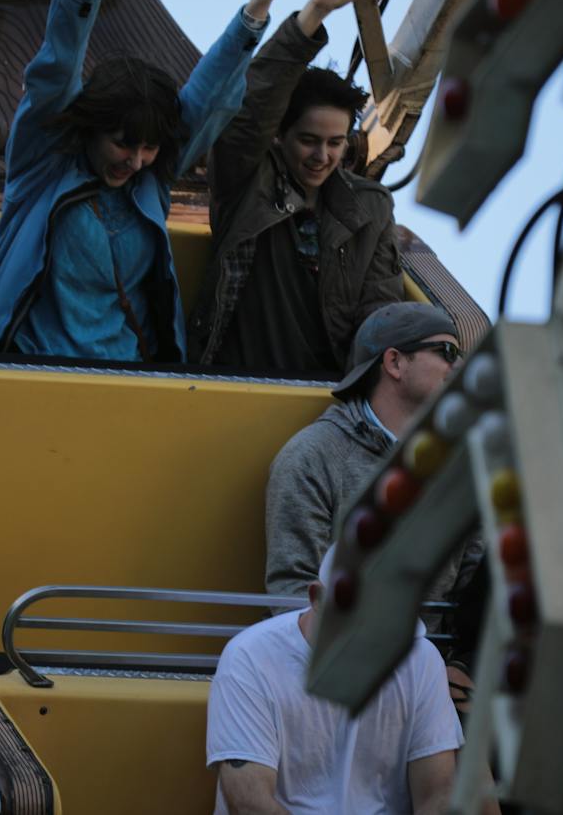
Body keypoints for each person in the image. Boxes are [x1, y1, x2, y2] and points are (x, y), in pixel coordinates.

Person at [0, 0, 285, 362]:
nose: (137, 161)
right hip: (32, 372)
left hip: (124, 381)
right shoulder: (42, 168)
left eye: (150, 148)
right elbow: (55, 69)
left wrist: (260, 4)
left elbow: (207, 94)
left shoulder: (149, 183)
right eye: (123, 143)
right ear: (92, 129)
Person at [264, 302, 484, 709]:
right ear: (395, 363)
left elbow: (474, 591)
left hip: (432, 690)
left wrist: (457, 669)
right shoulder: (311, 457)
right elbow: (292, 592)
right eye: (447, 353)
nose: (458, 368)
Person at [189, 0, 403, 374]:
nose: (322, 155)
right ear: (279, 136)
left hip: (322, 400)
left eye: (335, 143)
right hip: (234, 385)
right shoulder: (247, 180)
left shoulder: (371, 208)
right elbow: (253, 107)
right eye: (309, 140)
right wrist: (315, 12)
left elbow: (381, 313)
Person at [207, 545, 483, 815]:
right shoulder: (251, 657)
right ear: (317, 597)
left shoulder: (419, 658)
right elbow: (249, 803)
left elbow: (438, 793)